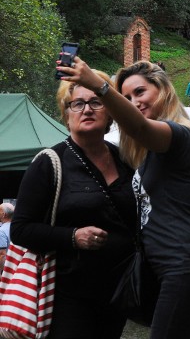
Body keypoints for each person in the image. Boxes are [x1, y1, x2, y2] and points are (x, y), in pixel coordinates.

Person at [60, 59, 190, 339]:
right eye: (126, 97)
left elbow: (139, 128)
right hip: (179, 266)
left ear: (162, 91)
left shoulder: (179, 136)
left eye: (140, 92)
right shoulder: (148, 156)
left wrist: (98, 86)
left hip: (187, 263)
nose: (133, 101)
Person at [11, 71, 136, 338]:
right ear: (67, 114)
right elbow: (20, 230)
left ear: (111, 112)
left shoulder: (125, 159)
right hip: (68, 296)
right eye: (77, 103)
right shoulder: (49, 162)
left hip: (118, 292)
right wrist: (73, 236)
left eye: (96, 102)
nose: (86, 109)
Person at [0, 203, 14, 270]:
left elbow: (2, 254)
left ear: (4, 214)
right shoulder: (17, 228)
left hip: (6, 268)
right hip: (16, 265)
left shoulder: (1, 231)